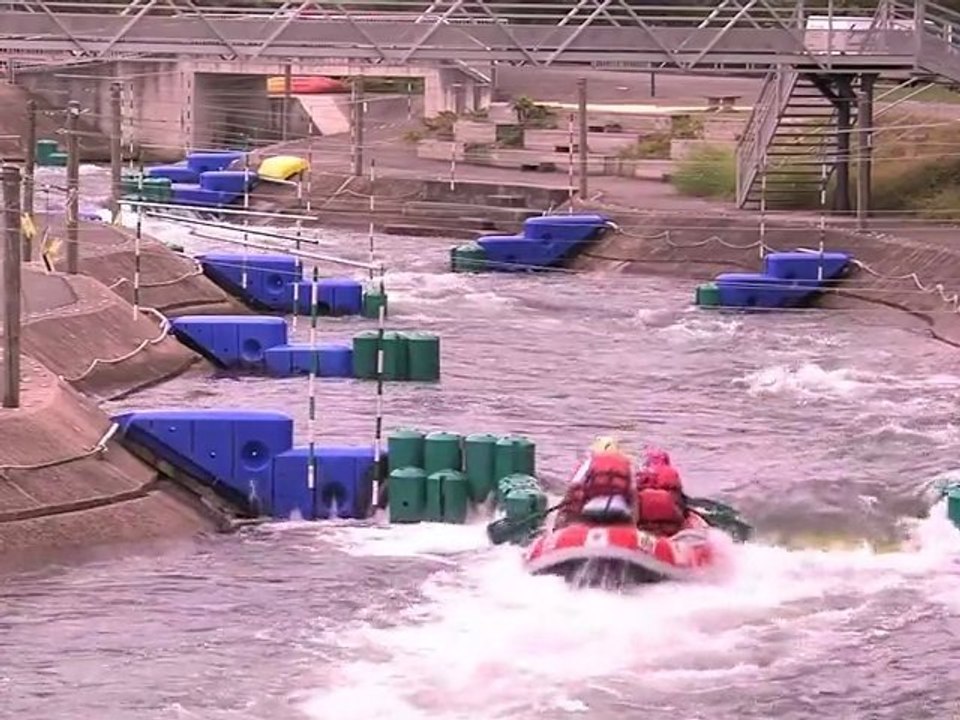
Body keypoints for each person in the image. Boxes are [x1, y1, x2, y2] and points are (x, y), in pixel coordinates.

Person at [557, 437, 636, 526]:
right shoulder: (627, 463)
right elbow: (633, 493)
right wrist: (634, 523)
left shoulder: (591, 461)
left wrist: (561, 512)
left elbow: (573, 486)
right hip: (619, 510)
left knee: (583, 520)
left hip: (592, 509)